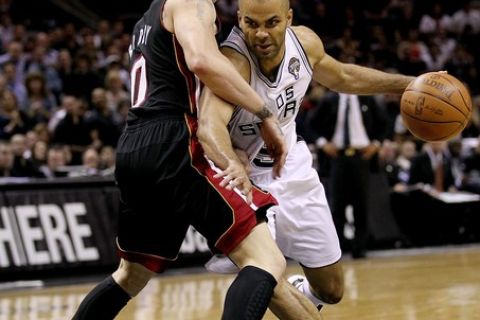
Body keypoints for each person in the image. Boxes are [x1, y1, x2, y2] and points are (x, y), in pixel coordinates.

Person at [70, 0, 311, 319]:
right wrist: (263, 111)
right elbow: (201, 60)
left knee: (131, 275)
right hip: (175, 140)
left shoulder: (146, 19)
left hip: (135, 145)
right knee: (265, 260)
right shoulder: (191, 1)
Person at [200, 0, 415, 312]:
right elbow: (209, 126)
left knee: (331, 290)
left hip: (292, 168)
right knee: (264, 269)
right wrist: (231, 162)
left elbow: (343, 76)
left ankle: (300, 289)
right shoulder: (232, 62)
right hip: (245, 180)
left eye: (271, 23)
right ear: (239, 19)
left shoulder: (305, 43)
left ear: (288, 18)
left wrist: (410, 84)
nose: (260, 34)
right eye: (251, 24)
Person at [308, 91, 388, 259]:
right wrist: (323, 143)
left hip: (362, 156)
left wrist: (376, 144)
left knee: (362, 205)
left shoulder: (367, 98)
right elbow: (310, 123)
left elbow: (385, 123)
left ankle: (360, 248)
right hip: (337, 157)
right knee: (337, 205)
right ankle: (338, 248)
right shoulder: (329, 99)